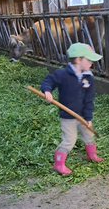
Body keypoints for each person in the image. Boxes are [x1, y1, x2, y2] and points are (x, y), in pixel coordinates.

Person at [41, 42, 103, 175]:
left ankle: (91, 156)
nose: (92, 63)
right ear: (78, 59)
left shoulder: (88, 78)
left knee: (89, 135)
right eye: (89, 59)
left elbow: (89, 100)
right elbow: (48, 81)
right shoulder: (62, 74)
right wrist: (47, 91)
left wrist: (88, 117)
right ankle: (58, 163)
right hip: (68, 116)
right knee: (69, 140)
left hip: (82, 116)